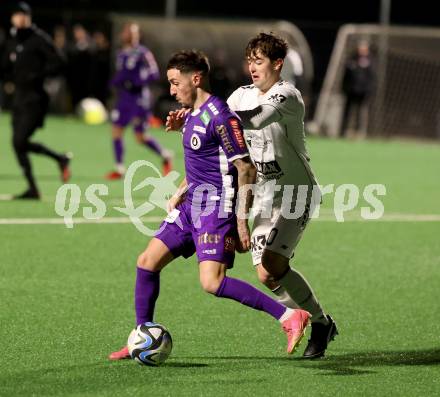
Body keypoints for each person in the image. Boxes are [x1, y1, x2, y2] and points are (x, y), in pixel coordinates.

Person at [109, 50, 311, 360]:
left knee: (212, 283)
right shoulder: (190, 113)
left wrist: (241, 222)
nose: (172, 90)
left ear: (196, 78)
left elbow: (245, 168)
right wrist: (180, 190)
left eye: (176, 83)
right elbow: (204, 161)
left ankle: (289, 316)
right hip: (192, 207)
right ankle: (142, 334)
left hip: (216, 209)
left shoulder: (221, 116)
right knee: (146, 262)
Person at [226, 32, 338, 359]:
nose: (252, 67)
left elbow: (259, 119)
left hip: (296, 193)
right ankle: (318, 320)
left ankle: (318, 324)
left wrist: (220, 121)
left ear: (278, 64)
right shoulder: (240, 96)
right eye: (249, 61)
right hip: (265, 196)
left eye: (259, 61)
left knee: (275, 262)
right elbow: (221, 120)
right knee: (265, 273)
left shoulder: (287, 95)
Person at [1, 2, 71, 199]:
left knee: (19, 141)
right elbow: (6, 64)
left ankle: (57, 161)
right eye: (17, 15)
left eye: (23, 14)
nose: (20, 18)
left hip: (35, 99)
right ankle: (39, 182)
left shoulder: (38, 38)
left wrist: (38, 75)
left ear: (29, 17)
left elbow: (60, 61)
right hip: (18, 99)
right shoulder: (12, 39)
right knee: (18, 145)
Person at [106, 22, 172, 179]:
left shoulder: (143, 52)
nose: (130, 35)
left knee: (140, 137)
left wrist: (138, 81)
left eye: (133, 32)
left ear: (138, 35)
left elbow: (154, 73)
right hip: (124, 98)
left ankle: (165, 155)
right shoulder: (121, 53)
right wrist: (115, 83)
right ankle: (120, 168)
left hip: (139, 99)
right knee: (116, 131)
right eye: (128, 32)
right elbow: (122, 75)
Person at [340, 40, 375, 137]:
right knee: (347, 112)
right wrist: (344, 88)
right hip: (351, 90)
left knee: (361, 112)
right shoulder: (351, 59)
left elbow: (371, 77)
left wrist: (368, 89)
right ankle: (344, 131)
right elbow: (345, 76)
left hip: (362, 91)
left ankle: (359, 132)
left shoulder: (370, 61)